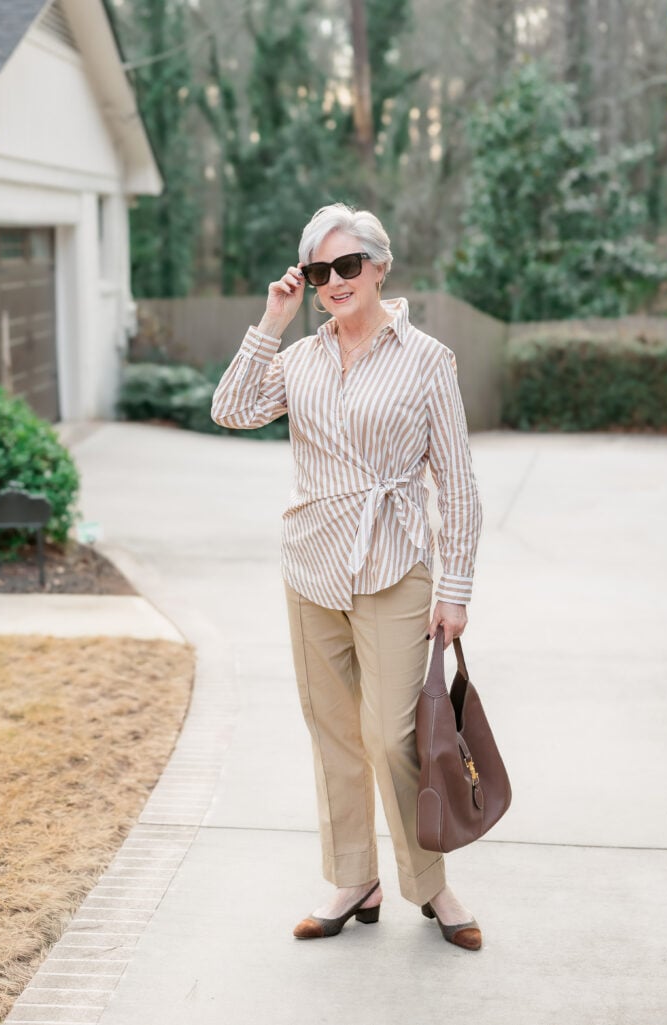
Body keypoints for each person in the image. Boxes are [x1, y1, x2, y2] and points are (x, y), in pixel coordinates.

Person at [211, 203, 484, 949]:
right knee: (331, 729)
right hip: (311, 562)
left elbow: (455, 482)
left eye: (347, 266)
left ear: (378, 267)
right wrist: (273, 319)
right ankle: (352, 877)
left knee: (394, 733)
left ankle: (430, 885)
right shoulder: (297, 358)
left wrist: (453, 587)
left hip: (395, 560)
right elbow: (229, 407)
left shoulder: (426, 358)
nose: (335, 282)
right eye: (320, 269)